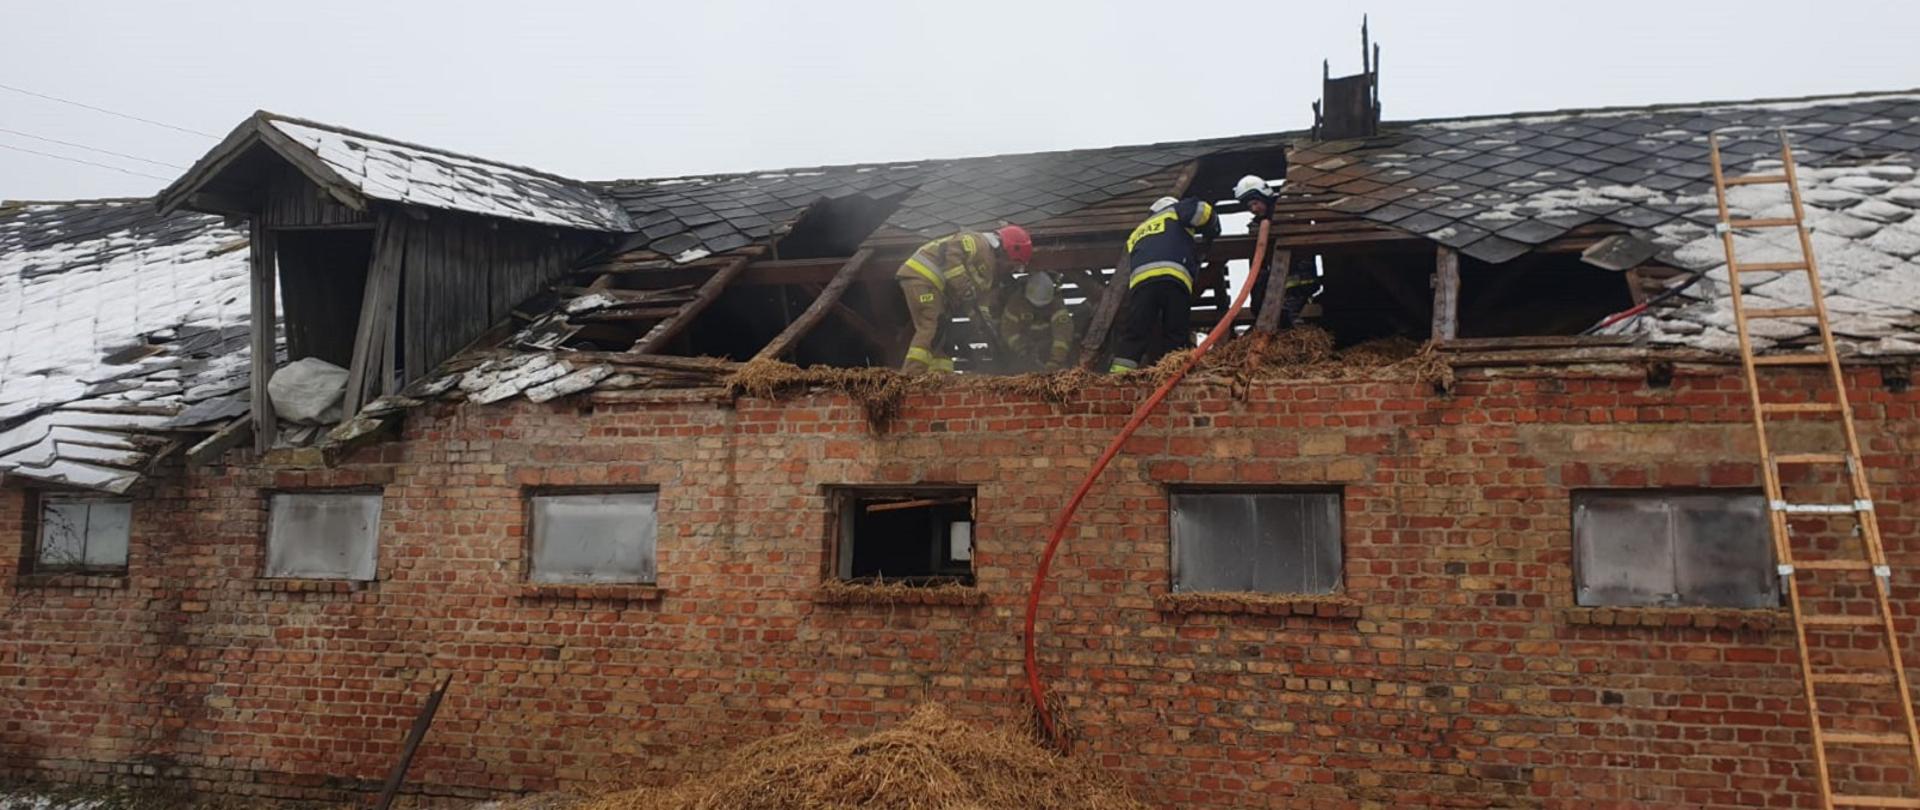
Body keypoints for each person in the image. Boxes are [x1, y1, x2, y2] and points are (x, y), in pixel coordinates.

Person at [895, 225, 1033, 375]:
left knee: (945, 337)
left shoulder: (990, 276)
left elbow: (978, 306)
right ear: (1009, 251)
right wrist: (963, 286)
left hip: (938, 289)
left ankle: (940, 380)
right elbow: (949, 251)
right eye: (1014, 265)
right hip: (923, 277)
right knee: (931, 326)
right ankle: (910, 376)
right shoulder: (978, 241)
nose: (1011, 271)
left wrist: (986, 328)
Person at [1109, 196, 1218, 373]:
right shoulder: (1175, 211)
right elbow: (1201, 211)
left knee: (1135, 332)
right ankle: (1173, 374)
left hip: (1141, 284)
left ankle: (1117, 377)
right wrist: (1213, 227)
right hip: (1173, 278)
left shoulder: (1138, 231)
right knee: (1175, 331)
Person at [1234, 174, 1320, 328]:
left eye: (1255, 203)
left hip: (1298, 276)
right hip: (1280, 279)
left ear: (1264, 196)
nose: (1253, 209)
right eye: (1249, 207)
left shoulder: (1285, 212)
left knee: (1286, 316)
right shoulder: (1261, 222)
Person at [997, 272, 1074, 372]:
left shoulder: (1056, 305)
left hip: (1049, 348)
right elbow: (1008, 330)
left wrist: (1055, 361)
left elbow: (1063, 335)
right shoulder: (1016, 304)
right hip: (1024, 350)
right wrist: (1022, 349)